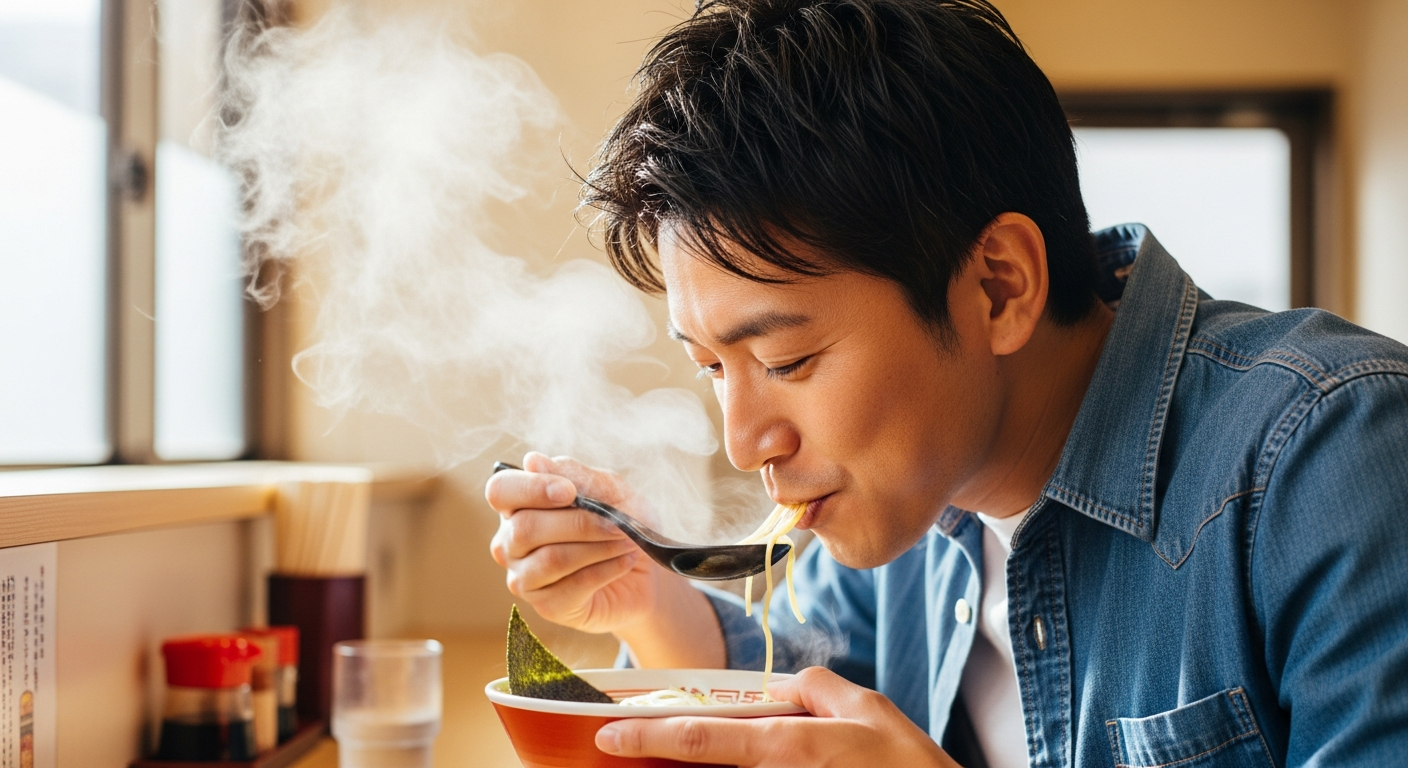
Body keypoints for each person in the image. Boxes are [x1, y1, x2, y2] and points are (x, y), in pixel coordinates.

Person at [486, 1, 1408, 765]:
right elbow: (799, 685)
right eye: (712, 368)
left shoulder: (1334, 454)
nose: (745, 442)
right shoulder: (913, 503)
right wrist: (647, 599)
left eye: (787, 363)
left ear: (998, 286)